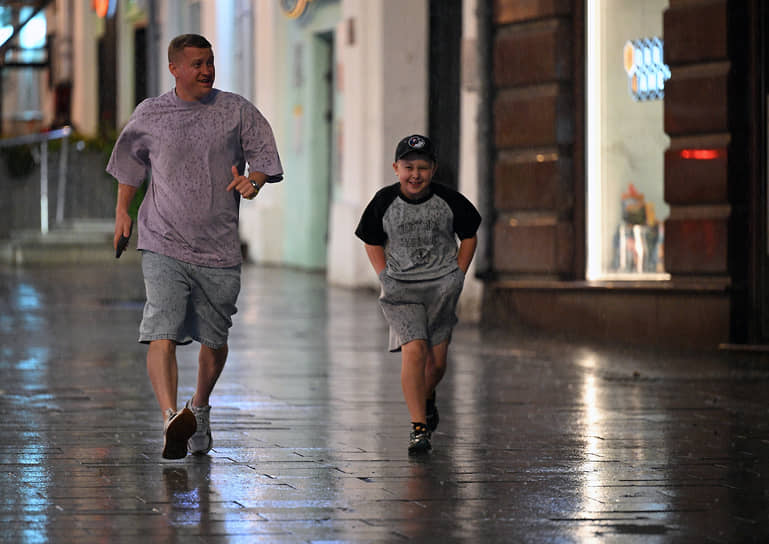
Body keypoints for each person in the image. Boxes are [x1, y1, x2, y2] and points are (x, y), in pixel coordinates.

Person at [106, 34, 283, 459]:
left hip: (219, 245)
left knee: (215, 338)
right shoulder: (152, 113)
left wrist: (253, 182)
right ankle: (171, 416)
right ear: (175, 69)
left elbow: (264, 157)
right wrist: (123, 211)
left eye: (210, 62)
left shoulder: (235, 110)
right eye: (197, 63)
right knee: (160, 328)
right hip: (162, 237)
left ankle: (199, 406)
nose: (206, 71)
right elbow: (130, 162)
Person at [355, 134, 481, 454]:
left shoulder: (449, 200)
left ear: (433, 169)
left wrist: (458, 274)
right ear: (396, 168)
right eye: (408, 167)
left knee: (437, 364)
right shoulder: (384, 201)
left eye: (423, 168)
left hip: (441, 289)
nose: (415, 175)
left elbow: (469, 235)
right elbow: (370, 239)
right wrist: (385, 276)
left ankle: (427, 396)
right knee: (415, 349)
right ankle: (418, 427)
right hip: (402, 290)